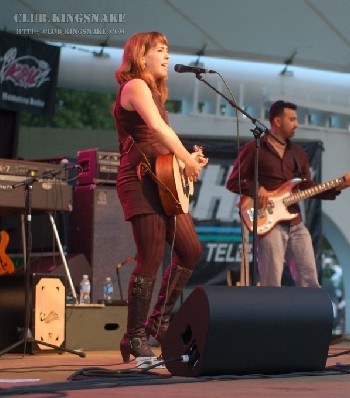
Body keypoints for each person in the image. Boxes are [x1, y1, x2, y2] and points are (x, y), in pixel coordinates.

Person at [113, 32, 208, 362]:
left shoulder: (154, 93)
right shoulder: (135, 86)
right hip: (140, 181)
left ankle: (160, 321)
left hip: (163, 182)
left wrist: (187, 162)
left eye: (168, 50)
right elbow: (156, 129)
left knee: (191, 250)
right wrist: (184, 157)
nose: (167, 56)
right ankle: (135, 336)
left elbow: (163, 143)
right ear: (141, 57)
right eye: (161, 50)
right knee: (150, 257)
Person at [226, 100, 350, 287]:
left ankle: (309, 316)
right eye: (292, 119)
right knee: (272, 284)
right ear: (277, 121)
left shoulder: (298, 153)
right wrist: (256, 189)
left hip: (296, 223)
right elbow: (232, 181)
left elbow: (308, 187)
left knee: (310, 280)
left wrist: (339, 186)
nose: (297, 124)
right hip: (268, 224)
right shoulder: (254, 148)